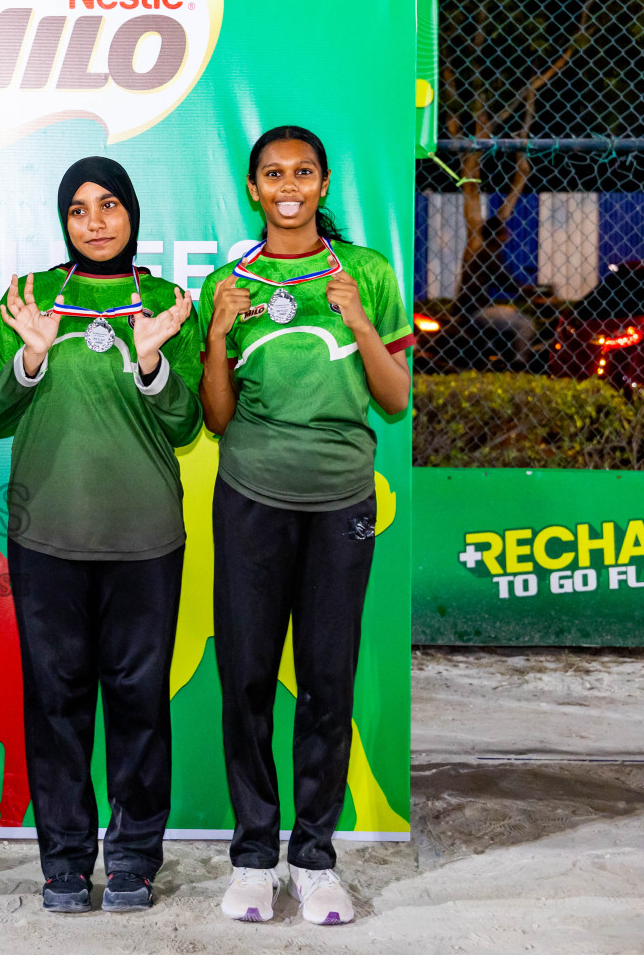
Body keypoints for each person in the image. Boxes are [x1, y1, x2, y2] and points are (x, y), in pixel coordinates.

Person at [197, 126, 411, 926]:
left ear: (324, 184)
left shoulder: (368, 274)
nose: (289, 184)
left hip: (340, 504)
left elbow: (394, 399)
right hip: (251, 498)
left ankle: (315, 859)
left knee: (327, 682)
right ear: (253, 189)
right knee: (247, 679)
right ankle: (255, 856)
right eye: (273, 174)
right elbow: (214, 416)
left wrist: (358, 323)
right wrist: (217, 335)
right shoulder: (229, 283)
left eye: (304, 172)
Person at [0, 157, 202, 914]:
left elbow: (186, 422)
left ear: (132, 214)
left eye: (109, 205)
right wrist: (30, 356)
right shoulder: (32, 296)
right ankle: (65, 859)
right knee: (56, 703)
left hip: (144, 539)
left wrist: (151, 361)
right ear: (64, 220)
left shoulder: (169, 302)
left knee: (139, 700)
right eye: (79, 209)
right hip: (49, 539)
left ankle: (135, 855)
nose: (96, 221)